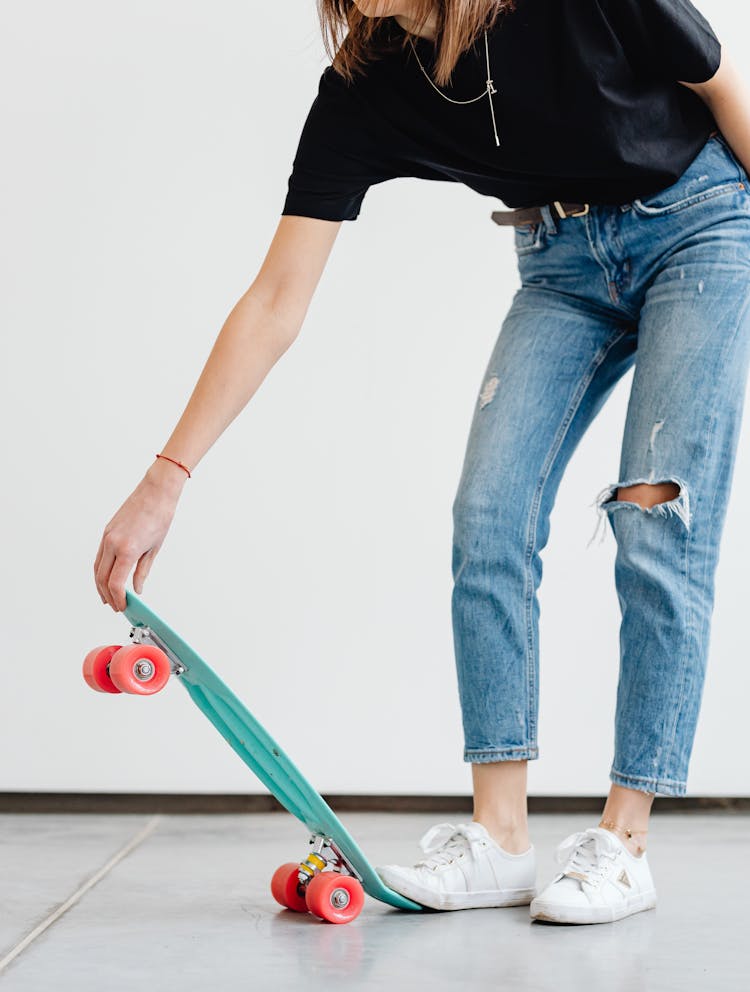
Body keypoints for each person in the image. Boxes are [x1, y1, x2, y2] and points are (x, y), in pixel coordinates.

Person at [93, 1, 750, 925]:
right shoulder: (367, 86)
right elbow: (278, 298)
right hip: (560, 260)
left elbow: (719, 80)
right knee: (489, 516)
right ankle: (502, 838)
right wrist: (168, 475)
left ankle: (625, 840)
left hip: (700, 221)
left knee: (656, 511)